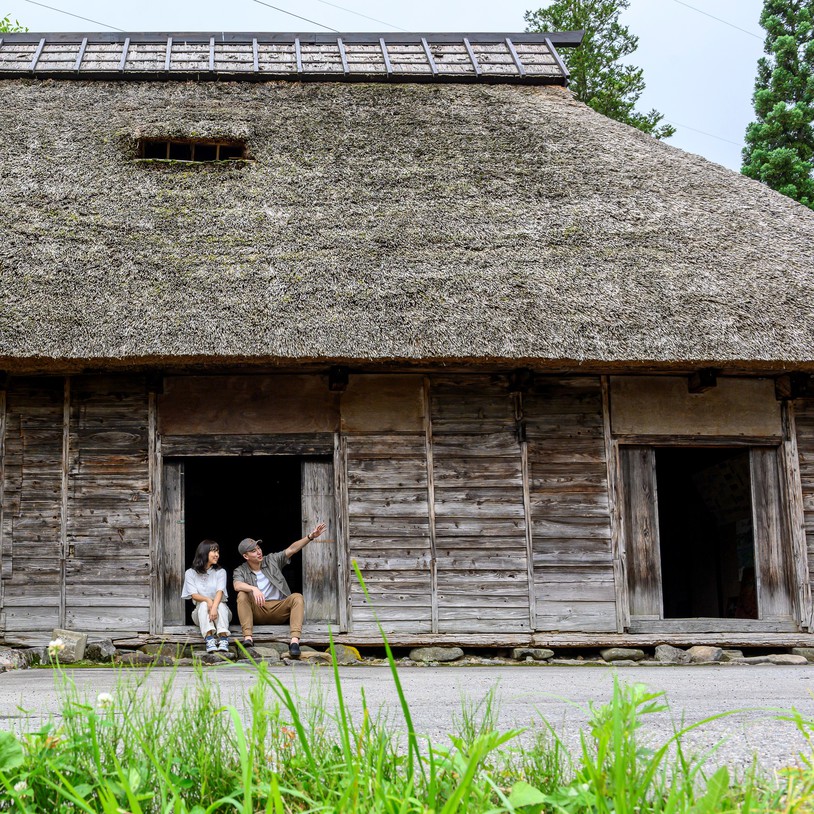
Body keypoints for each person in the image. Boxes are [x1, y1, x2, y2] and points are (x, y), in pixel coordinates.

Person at [233, 522, 326, 658]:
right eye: (253, 551)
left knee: (297, 597)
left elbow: (292, 549)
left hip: (279, 609)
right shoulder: (241, 570)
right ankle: (248, 638)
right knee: (242, 595)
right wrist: (253, 588)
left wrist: (310, 536)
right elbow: (237, 585)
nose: (258, 552)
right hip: (258, 611)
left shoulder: (272, 560)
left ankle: (294, 642)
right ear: (246, 556)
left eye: (258, 548)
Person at [181, 540, 232, 654]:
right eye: (214, 551)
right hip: (200, 614)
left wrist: (214, 606)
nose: (217, 554)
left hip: (221, 613)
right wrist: (208, 600)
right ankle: (209, 639)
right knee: (203, 604)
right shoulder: (190, 573)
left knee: (221, 605)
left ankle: (223, 638)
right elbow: (194, 595)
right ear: (204, 553)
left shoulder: (221, 572)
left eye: (218, 551)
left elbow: (220, 592)